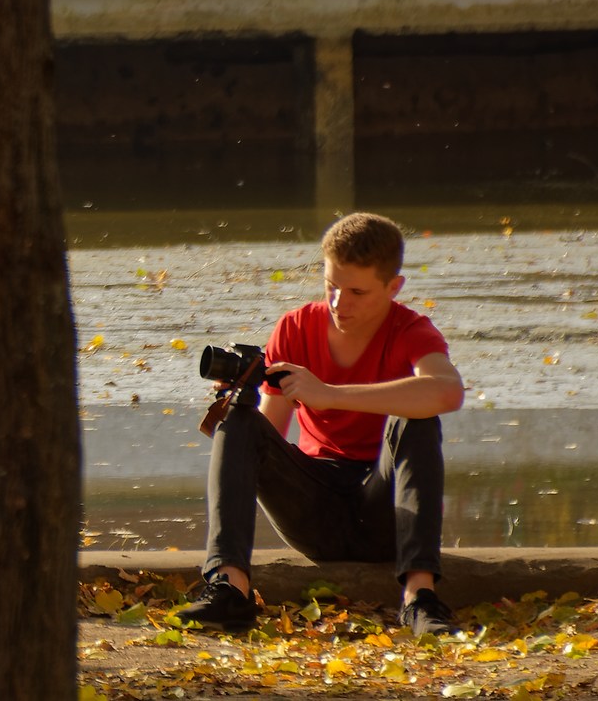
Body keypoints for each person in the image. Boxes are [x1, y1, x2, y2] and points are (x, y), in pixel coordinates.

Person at [177, 212, 465, 636]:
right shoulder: (295, 326)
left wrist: (329, 393)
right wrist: (240, 402)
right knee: (238, 420)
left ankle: (419, 598)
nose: (338, 304)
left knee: (418, 418)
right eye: (331, 286)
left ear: (393, 287)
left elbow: (448, 391)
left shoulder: (410, 329)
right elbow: (269, 439)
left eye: (356, 292)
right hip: (315, 514)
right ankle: (230, 587)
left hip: (385, 511)